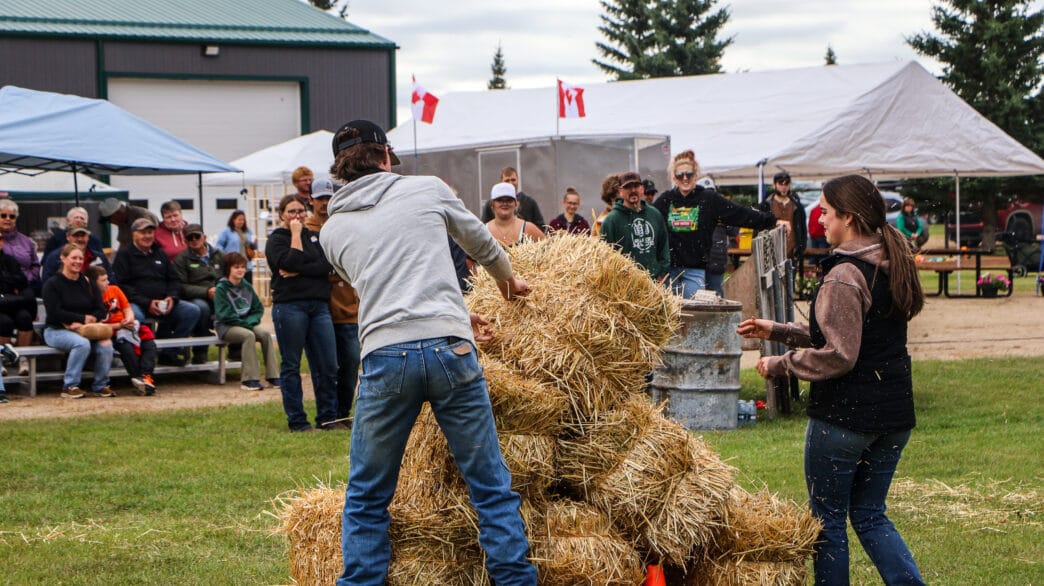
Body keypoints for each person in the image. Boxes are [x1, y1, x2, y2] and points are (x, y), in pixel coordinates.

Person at [321, 119, 537, 585]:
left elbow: (385, 282)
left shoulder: (331, 230)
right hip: (450, 350)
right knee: (490, 486)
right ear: (384, 157)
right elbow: (480, 242)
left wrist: (454, 310)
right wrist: (507, 281)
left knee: (367, 495)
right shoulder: (427, 189)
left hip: (384, 357)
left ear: (340, 171)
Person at [737, 174, 926, 586]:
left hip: (846, 418)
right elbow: (853, 333)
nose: (819, 219)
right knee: (871, 515)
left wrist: (779, 364)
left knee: (828, 523)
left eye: (825, 211)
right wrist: (778, 330)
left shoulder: (845, 274)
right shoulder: (890, 260)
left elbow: (840, 354)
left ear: (850, 218)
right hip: (893, 417)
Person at [653, 150, 779, 298]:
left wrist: (772, 220)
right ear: (674, 177)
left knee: (694, 314)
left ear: (696, 175)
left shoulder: (708, 198)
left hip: (695, 270)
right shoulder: (665, 200)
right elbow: (650, 224)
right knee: (670, 317)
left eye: (689, 174)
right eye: (680, 175)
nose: (685, 178)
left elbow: (739, 213)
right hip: (669, 270)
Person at [265, 195, 341, 432]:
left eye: (300, 211)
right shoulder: (277, 239)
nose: (296, 216)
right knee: (291, 365)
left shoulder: (315, 238)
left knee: (328, 364)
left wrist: (298, 269)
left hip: (318, 307)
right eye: (291, 212)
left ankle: (328, 418)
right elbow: (290, 262)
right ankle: (298, 421)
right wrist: (296, 235)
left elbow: (327, 266)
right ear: (281, 215)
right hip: (290, 307)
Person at [304, 177, 361, 425]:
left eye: (328, 198)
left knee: (350, 362)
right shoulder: (306, 231)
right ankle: (327, 414)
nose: (324, 203)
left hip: (347, 305)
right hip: (320, 306)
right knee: (326, 366)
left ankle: (342, 412)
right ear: (311, 201)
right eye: (320, 199)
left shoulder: (343, 226)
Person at [111, 217, 202, 366]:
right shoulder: (124, 255)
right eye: (143, 233)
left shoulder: (160, 253)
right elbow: (121, 286)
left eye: (150, 232)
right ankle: (140, 358)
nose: (147, 236)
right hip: (137, 303)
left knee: (192, 311)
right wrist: (147, 302)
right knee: (135, 318)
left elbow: (174, 279)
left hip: (163, 303)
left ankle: (169, 353)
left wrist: (172, 297)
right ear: (134, 234)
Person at [41, 244, 115, 399]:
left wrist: (90, 319)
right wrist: (80, 319)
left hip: (86, 329)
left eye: (80, 258)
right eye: (73, 258)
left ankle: (100, 385)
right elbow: (54, 312)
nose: (78, 261)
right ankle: (70, 386)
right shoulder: (53, 284)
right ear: (63, 258)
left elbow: (100, 308)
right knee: (81, 343)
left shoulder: (87, 282)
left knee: (106, 344)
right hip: (57, 330)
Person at [86, 265, 157, 396]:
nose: (108, 282)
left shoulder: (115, 289)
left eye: (107, 279)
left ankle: (146, 377)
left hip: (127, 326)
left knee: (149, 344)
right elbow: (97, 326)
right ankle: (138, 378)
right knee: (125, 347)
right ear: (93, 282)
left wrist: (129, 319)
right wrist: (119, 326)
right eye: (103, 280)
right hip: (110, 332)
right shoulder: (89, 298)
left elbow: (127, 308)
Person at [214, 252, 279, 391]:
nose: (241, 270)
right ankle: (249, 380)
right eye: (236, 267)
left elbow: (258, 309)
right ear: (228, 269)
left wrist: (250, 321)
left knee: (265, 334)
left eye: (243, 267)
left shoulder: (246, 286)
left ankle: (273, 376)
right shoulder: (221, 289)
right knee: (248, 336)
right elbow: (225, 315)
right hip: (227, 327)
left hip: (246, 323)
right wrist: (247, 324)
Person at [600, 171, 670, 279]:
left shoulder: (655, 214)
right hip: (625, 285)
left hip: (654, 283)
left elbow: (663, 247)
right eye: (628, 187)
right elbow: (605, 256)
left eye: (636, 186)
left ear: (642, 189)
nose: (633, 190)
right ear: (621, 191)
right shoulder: (611, 220)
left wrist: (662, 273)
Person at [173, 224, 224, 364]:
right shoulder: (181, 260)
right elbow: (181, 286)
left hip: (220, 295)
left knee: (236, 303)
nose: (194, 240)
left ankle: (236, 348)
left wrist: (221, 289)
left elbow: (229, 276)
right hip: (196, 297)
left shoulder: (219, 255)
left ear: (204, 237)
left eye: (197, 236)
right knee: (201, 308)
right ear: (185, 241)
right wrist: (206, 292)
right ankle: (200, 352)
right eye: (190, 238)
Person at [0, 234, 36, 375]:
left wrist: (6, 282)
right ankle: (2, 359)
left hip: (11, 302)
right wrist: (10, 283)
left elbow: (21, 280)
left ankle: (23, 359)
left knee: (25, 318)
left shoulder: (10, 260)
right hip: (6, 303)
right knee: (5, 322)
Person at [757, 171, 807, 268]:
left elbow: (803, 229)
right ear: (774, 185)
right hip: (770, 254)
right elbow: (758, 228)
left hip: (792, 253)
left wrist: (800, 249)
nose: (784, 187)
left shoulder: (797, 205)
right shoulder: (765, 205)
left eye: (786, 183)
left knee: (790, 282)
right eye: (781, 183)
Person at [40, 223, 112, 284]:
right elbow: (47, 283)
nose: (80, 239)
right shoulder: (54, 258)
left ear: (88, 237)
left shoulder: (100, 257)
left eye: (83, 235)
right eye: (76, 235)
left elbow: (111, 280)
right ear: (68, 237)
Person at [480, 166, 546, 229]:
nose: (511, 183)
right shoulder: (490, 204)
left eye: (513, 180)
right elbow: (483, 227)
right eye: (507, 180)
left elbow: (541, 226)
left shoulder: (530, 202)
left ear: (516, 204)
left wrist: (526, 233)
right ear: (493, 206)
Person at [0, 199, 41, 296]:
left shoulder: (26, 241)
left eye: (12, 216)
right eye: (3, 215)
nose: (8, 219)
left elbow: (35, 264)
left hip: (26, 287)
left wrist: (28, 279)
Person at [485, 182, 546, 247]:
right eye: (500, 200)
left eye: (509, 200)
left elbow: (549, 247)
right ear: (492, 204)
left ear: (516, 203)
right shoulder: (484, 231)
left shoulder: (528, 229)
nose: (505, 204)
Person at [214, 210, 258, 283]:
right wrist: (225, 256)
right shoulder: (226, 231)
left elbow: (253, 246)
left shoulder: (248, 231)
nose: (241, 222)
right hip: (232, 264)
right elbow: (218, 245)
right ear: (233, 220)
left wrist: (254, 243)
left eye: (243, 220)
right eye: (239, 219)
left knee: (247, 287)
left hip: (247, 265)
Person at [591, 173, 621, 237]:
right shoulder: (600, 223)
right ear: (610, 200)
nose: (621, 204)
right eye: (617, 200)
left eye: (624, 200)